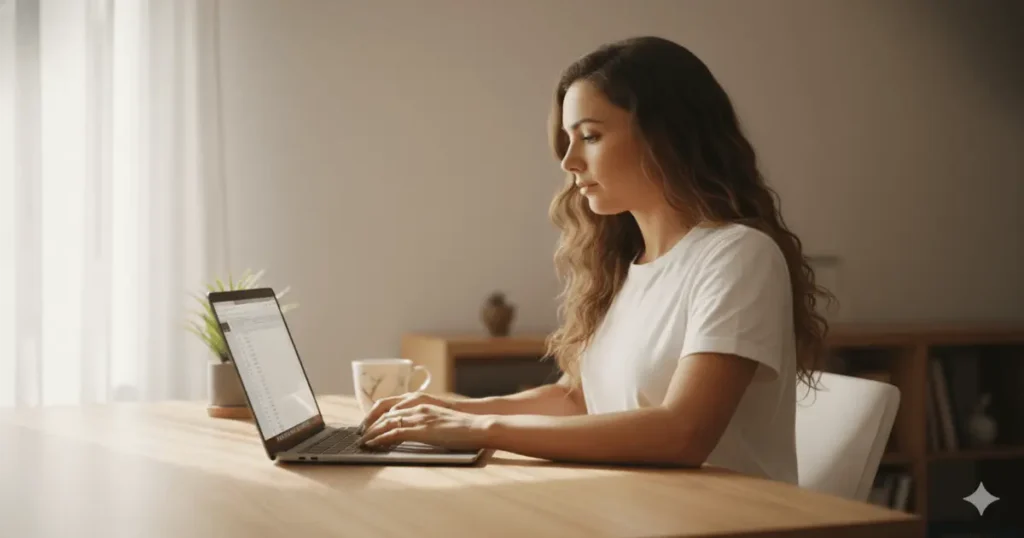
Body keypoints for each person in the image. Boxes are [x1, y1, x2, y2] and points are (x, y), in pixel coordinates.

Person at [357, 35, 833, 484]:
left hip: (732, 522)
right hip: (637, 509)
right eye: (568, 139)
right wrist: (452, 411)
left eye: (589, 136)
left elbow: (683, 432)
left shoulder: (737, 256)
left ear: (666, 136)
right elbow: (580, 400)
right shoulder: (627, 265)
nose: (568, 162)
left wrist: (483, 429)